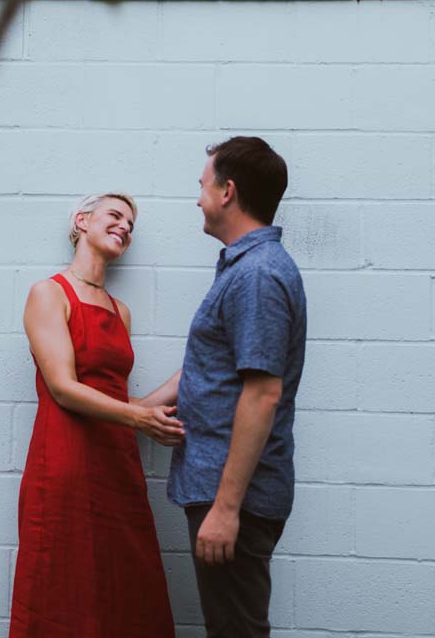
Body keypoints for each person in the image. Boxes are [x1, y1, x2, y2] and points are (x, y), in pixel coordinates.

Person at [138, 137, 307, 638]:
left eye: (203, 184)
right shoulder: (244, 268)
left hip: (234, 499)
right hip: (218, 492)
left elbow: (262, 394)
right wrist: (133, 412)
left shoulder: (257, 275)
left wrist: (227, 509)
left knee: (236, 631)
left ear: (227, 191)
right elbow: (207, 369)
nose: (198, 198)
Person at [10, 192, 180, 638]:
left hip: (116, 468)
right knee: (61, 586)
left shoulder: (120, 312)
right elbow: (64, 389)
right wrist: (140, 420)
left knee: (125, 587)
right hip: (64, 463)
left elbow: (123, 403)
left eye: (131, 224)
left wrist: (192, 372)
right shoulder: (49, 293)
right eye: (115, 215)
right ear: (82, 221)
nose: (125, 226)